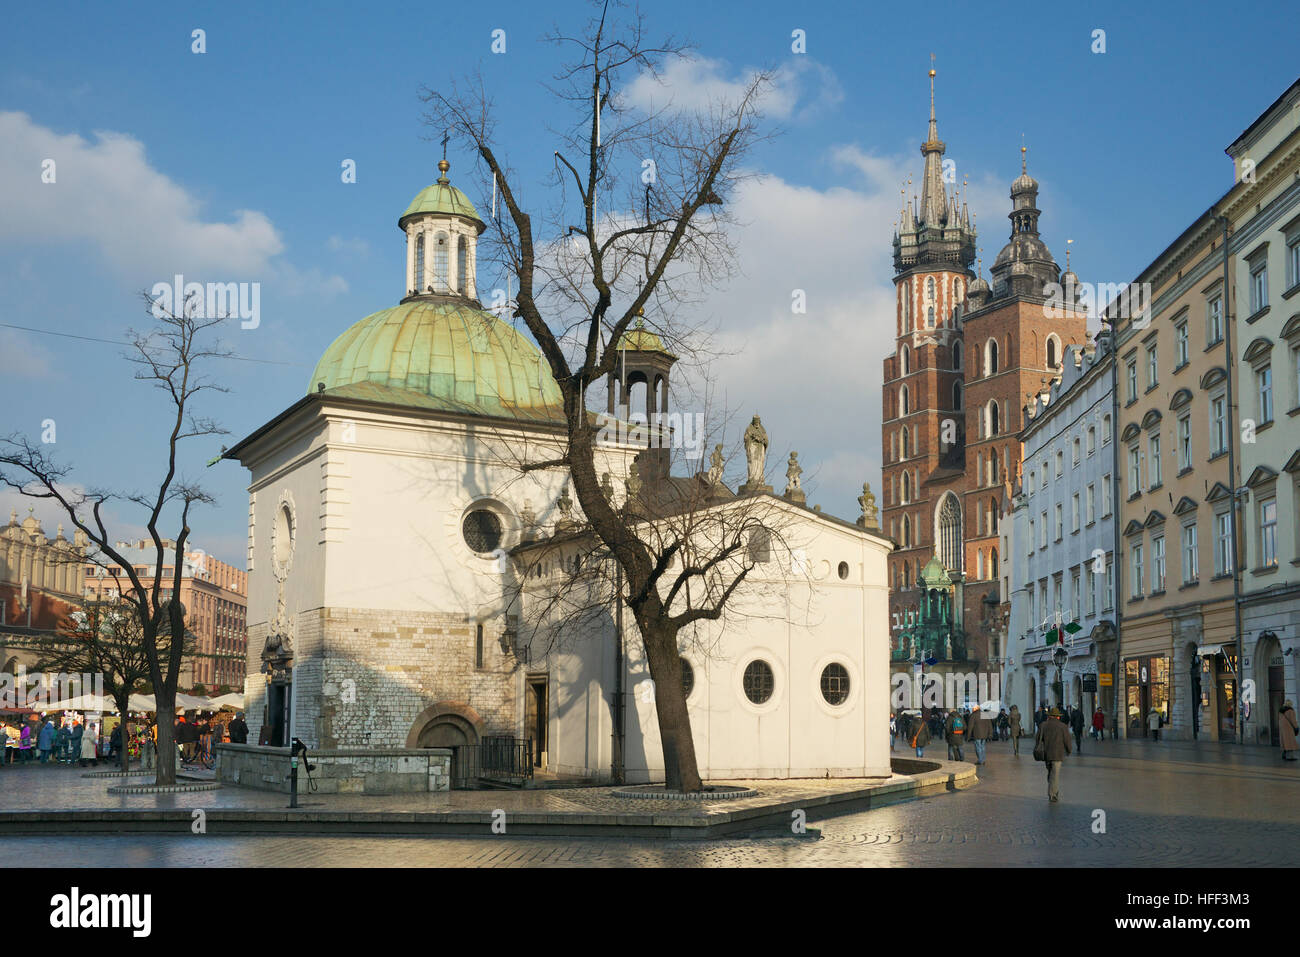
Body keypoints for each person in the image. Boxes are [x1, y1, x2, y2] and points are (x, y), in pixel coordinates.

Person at [1034, 707, 1073, 802]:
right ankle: (1053, 794)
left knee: (1051, 772)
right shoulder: (1063, 726)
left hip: (1046, 754)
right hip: (1058, 754)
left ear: (1049, 716)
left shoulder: (1043, 725)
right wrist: (1069, 750)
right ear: (1058, 717)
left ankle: (1053, 789)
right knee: (1055, 774)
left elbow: (1038, 739)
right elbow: (1067, 740)